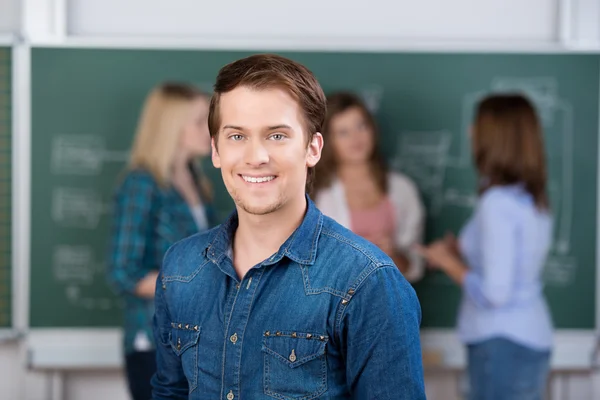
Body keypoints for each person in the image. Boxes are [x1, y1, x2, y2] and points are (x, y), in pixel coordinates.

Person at [150, 54, 425, 399]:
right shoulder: (180, 268)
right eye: (237, 137)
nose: (256, 156)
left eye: (277, 136)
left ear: (313, 148)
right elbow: (170, 392)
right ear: (216, 150)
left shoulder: (369, 282)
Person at [417, 94, 553, 399]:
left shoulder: (497, 203)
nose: (469, 132)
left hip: (501, 343)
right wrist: (460, 252)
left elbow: (495, 294)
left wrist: (448, 262)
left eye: (477, 125)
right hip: (525, 337)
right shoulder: (529, 196)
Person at [107, 82, 217, 400]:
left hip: (198, 340)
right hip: (155, 343)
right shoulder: (143, 183)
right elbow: (123, 272)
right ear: (173, 127)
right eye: (199, 121)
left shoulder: (198, 181)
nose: (209, 129)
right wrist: (191, 284)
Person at [312, 91, 425, 282]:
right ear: (328, 141)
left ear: (372, 128)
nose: (356, 138)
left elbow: (415, 266)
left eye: (361, 126)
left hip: (388, 306)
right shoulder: (317, 194)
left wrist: (392, 254)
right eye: (343, 132)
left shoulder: (402, 188)